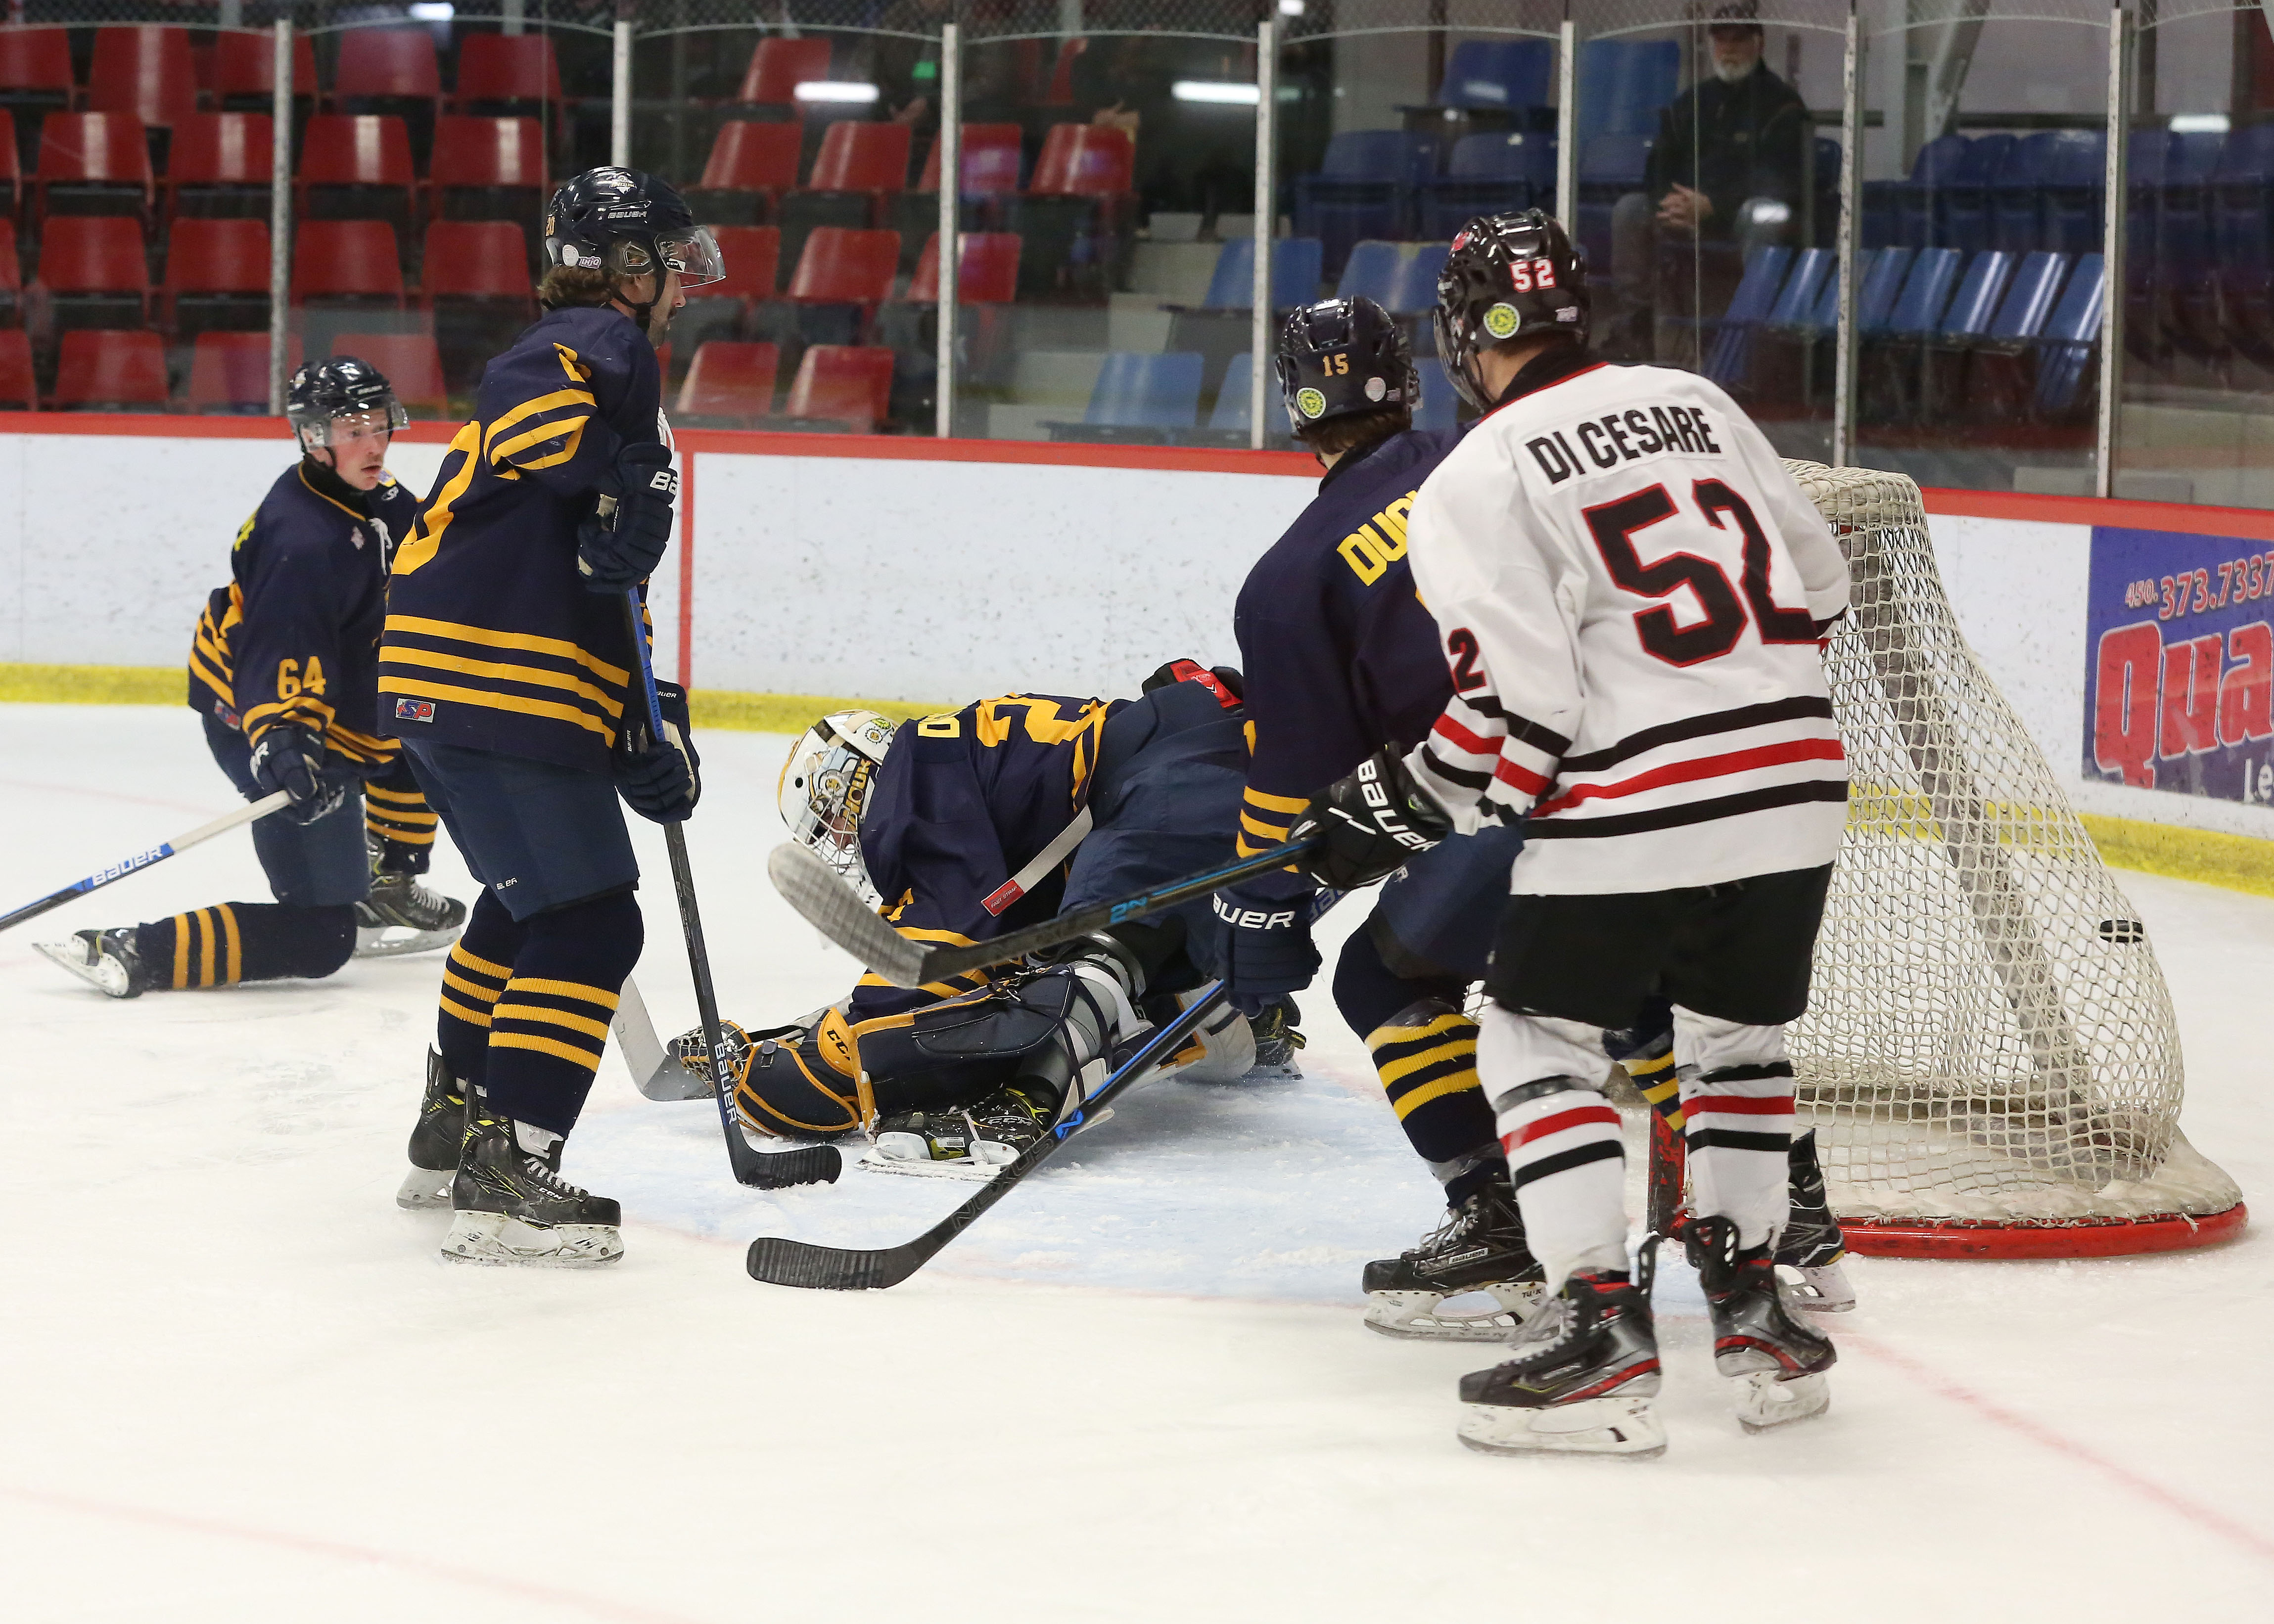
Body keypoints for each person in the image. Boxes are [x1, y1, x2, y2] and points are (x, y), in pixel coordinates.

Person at [1292, 209, 1851, 1456]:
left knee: (1531, 1036)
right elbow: (1819, 580)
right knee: (1735, 1042)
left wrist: (1398, 805)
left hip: (1641, 801)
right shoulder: (1696, 401)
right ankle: (1755, 1312)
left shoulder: (1476, 474)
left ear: (1460, 338)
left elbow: (1520, 709)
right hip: (1799, 777)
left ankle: (1597, 1330)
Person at [383, 167, 722, 1266]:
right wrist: (617, 476)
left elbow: (603, 586)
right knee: (592, 924)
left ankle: (456, 1119)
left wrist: (644, 722)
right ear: (628, 268)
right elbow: (532, 402)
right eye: (670, 257)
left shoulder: (611, 364)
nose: (683, 279)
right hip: (502, 679)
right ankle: (510, 1165)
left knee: (528, 905)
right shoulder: (601, 343)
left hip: (447, 678)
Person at [681, 664, 1290, 1174]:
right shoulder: (964, 776)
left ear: (857, 776)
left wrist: (775, 1071)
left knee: (1091, 953)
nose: (846, 846)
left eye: (836, 824)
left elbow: (921, 975)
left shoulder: (911, 782)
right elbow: (977, 959)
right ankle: (1224, 1003)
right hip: (1211, 761)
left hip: (1184, 775)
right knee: (1059, 954)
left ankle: (1035, 1095)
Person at [37, 357, 467, 999]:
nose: (374, 442)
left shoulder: (372, 493)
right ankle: (135, 949)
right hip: (257, 713)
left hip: (338, 695)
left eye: (378, 422)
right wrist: (287, 746)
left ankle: (386, 888)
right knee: (322, 936)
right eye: (352, 428)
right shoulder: (302, 540)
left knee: (421, 727)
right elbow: (279, 658)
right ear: (313, 436)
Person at [1608, 4, 1811, 359]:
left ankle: (1751, 346)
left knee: (1763, 212)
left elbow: (1781, 179)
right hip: (1687, 213)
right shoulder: (1691, 102)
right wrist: (1669, 204)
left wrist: (1714, 206)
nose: (1729, 48)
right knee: (1630, 210)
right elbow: (1658, 165)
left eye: (1738, 39)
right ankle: (1635, 335)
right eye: (1721, 40)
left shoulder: (1783, 105)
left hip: (1737, 216)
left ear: (1758, 43)